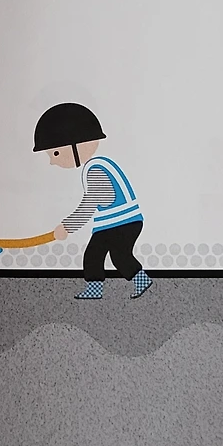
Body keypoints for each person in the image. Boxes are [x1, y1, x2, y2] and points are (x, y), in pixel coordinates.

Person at [34, 102, 153, 300]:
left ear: (76, 145)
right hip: (112, 223)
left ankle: (139, 280)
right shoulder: (96, 166)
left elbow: (90, 204)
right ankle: (96, 288)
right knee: (94, 255)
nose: (52, 161)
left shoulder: (96, 170)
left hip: (122, 223)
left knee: (118, 255)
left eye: (55, 153)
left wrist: (68, 226)